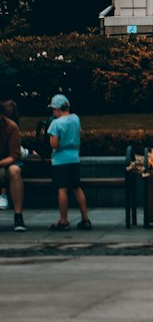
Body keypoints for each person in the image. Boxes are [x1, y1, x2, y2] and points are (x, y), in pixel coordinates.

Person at [47, 94, 91, 230]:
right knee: (77, 188)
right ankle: (85, 219)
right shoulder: (75, 119)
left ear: (57, 109)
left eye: (53, 110)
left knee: (62, 189)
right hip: (74, 158)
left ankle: (63, 220)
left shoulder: (56, 123)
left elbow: (54, 144)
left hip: (60, 161)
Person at [0, 100, 26, 230]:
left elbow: (14, 155)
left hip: (9, 161)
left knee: (15, 171)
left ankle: (18, 217)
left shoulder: (11, 127)